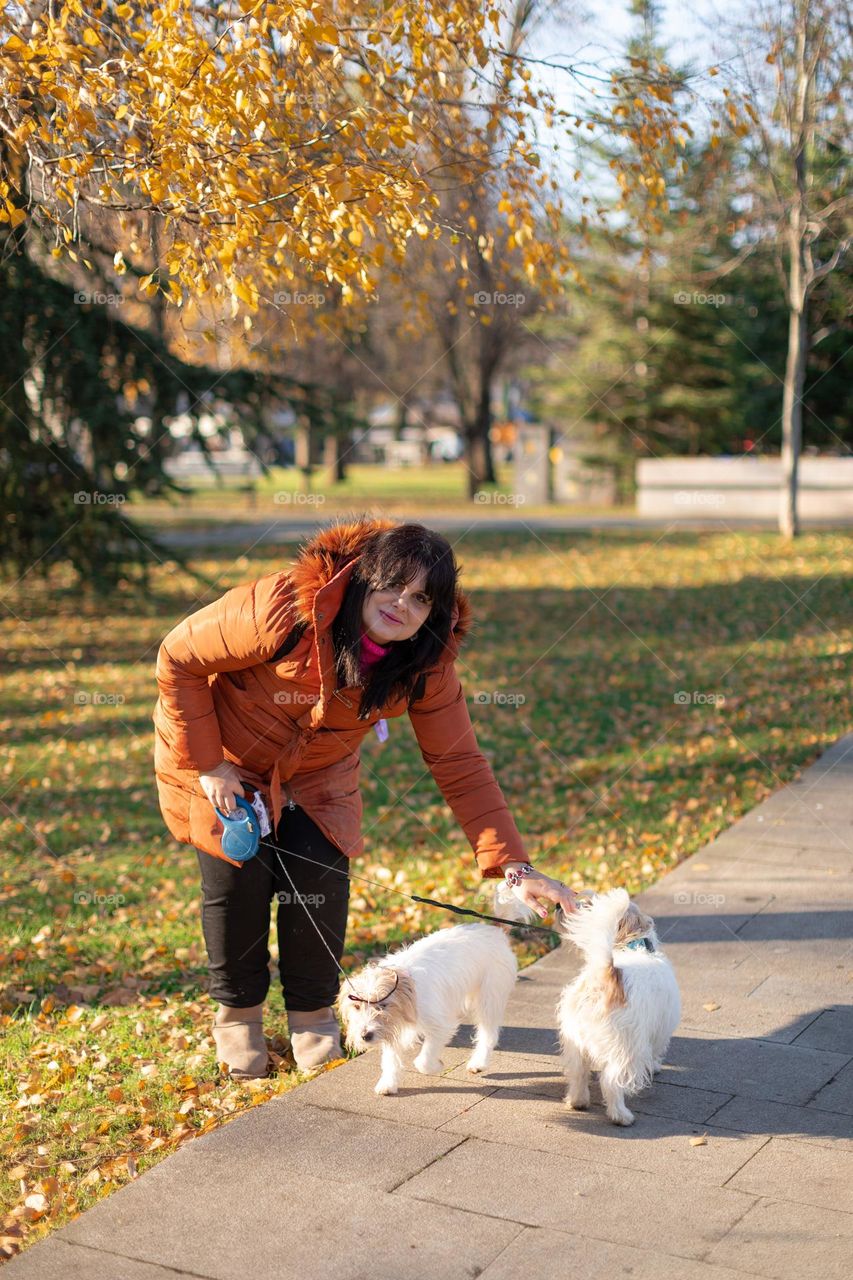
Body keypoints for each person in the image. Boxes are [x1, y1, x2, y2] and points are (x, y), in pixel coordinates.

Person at [153, 517, 577, 1079]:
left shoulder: (425, 664)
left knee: (320, 882)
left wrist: (515, 869)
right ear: (362, 577)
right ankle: (239, 1019)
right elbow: (176, 657)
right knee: (239, 880)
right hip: (222, 757)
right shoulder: (280, 609)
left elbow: (460, 764)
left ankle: (312, 1020)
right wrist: (209, 763)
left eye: (422, 598)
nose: (403, 604)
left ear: (436, 612)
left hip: (318, 773)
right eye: (393, 584)